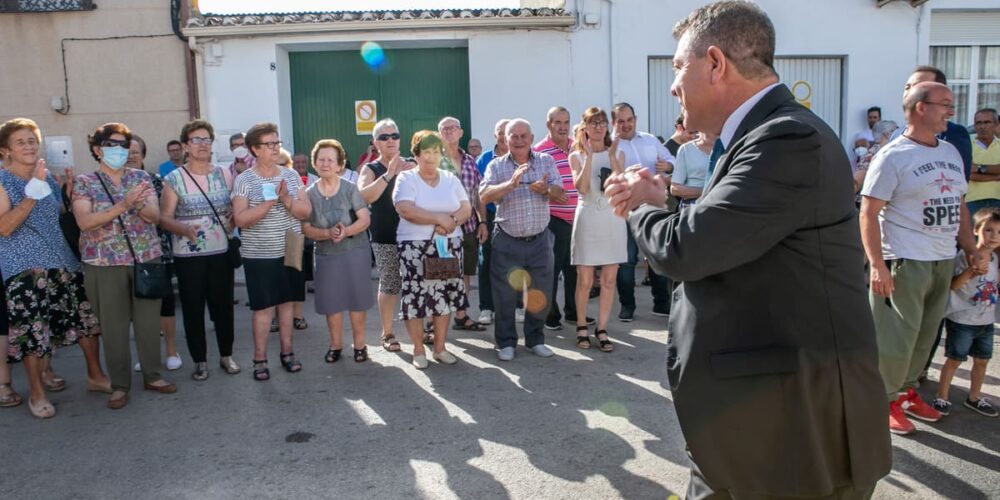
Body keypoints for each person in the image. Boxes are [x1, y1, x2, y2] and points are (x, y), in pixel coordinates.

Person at [605, 2, 891, 497]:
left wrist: (639, 204)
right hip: (755, 427)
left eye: (678, 68)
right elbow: (723, 239)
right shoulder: (760, 136)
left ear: (715, 64)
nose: (673, 86)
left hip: (793, 436)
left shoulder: (786, 138)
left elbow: (687, 248)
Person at [861, 81, 977, 435]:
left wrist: (970, 248)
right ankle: (882, 401)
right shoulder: (893, 156)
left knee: (924, 338)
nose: (951, 111)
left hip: (942, 258)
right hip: (905, 259)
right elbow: (867, 212)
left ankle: (907, 393)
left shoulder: (950, 152)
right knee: (895, 339)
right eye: (945, 104)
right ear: (920, 108)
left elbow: (958, 205)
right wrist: (878, 265)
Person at [0, 118, 109, 418]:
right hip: (23, 266)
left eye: (33, 140)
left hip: (61, 260)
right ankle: (37, 393)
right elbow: (4, 227)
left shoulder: (46, 179)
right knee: (34, 332)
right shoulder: (3, 180)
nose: (29, 146)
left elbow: (56, 217)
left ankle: (96, 376)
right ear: (5, 150)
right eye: (21, 142)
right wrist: (29, 197)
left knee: (86, 322)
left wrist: (68, 197)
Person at [73, 122, 176, 410]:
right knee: (114, 327)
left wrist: (139, 205)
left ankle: (152, 375)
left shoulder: (141, 177)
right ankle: (119, 385)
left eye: (123, 145)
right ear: (97, 149)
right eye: (111, 145)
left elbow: (154, 216)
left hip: (146, 259)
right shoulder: (85, 181)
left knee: (147, 323)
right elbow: (84, 221)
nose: (119, 151)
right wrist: (123, 204)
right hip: (103, 264)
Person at [160, 119, 240, 381]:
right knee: (193, 309)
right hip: (188, 256)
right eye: (196, 139)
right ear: (185, 145)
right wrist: (183, 229)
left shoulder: (224, 174)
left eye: (207, 139)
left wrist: (234, 218)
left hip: (220, 253)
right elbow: (164, 217)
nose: (203, 144)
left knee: (223, 307)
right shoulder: (174, 178)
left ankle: (226, 355)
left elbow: (234, 209)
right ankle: (200, 361)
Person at [232, 122, 311, 381]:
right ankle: (259, 359)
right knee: (264, 308)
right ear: (255, 149)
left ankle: (288, 353)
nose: (276, 148)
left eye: (277, 143)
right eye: (269, 144)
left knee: (287, 303)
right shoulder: (244, 180)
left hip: (290, 247)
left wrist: (288, 199)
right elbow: (241, 219)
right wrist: (268, 203)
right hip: (259, 254)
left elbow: (306, 212)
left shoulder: (289, 176)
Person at [481, 119, 565, 361]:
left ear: (531, 137)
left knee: (540, 292)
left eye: (523, 136)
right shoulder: (496, 166)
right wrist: (511, 184)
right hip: (507, 240)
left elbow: (562, 194)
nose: (518, 140)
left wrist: (546, 190)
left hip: (539, 240)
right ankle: (506, 342)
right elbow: (484, 195)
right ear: (505, 139)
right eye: (513, 136)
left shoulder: (546, 161)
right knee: (505, 295)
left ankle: (535, 339)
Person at [393, 131, 472, 369]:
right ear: (416, 154)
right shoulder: (407, 178)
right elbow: (405, 209)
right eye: (426, 152)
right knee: (416, 298)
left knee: (444, 297)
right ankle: (418, 350)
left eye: (435, 152)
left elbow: (466, 208)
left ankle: (440, 348)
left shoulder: (450, 178)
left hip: (448, 245)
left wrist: (453, 222)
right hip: (415, 247)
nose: (430, 157)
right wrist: (438, 218)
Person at [303, 140, 373, 364]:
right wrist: (326, 234)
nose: (325, 164)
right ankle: (335, 345)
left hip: (355, 250)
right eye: (321, 159)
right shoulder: (308, 194)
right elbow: (305, 228)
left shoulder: (350, 188)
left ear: (339, 164)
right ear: (315, 163)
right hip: (326, 254)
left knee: (356, 300)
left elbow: (365, 219)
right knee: (331, 303)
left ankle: (360, 345)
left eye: (330, 160)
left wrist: (346, 231)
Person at [568, 107, 626, 352]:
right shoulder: (576, 156)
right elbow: (581, 188)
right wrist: (589, 157)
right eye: (593, 123)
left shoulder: (619, 152)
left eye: (602, 122)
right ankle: (582, 326)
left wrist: (611, 157)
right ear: (584, 128)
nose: (599, 127)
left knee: (610, 280)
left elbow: (622, 185)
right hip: (589, 215)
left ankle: (602, 328)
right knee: (585, 279)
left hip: (612, 217)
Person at [934, 207, 1000, 418]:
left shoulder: (995, 260)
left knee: (982, 361)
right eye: (988, 230)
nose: (994, 237)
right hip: (962, 319)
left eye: (999, 233)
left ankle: (974, 397)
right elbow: (953, 286)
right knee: (955, 359)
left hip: (986, 321)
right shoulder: (964, 257)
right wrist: (971, 271)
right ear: (975, 230)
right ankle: (941, 397)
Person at [611, 102, 674, 321]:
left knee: (656, 254)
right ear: (614, 122)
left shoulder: (650, 140)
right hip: (626, 208)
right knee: (627, 260)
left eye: (629, 120)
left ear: (635, 119)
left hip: (654, 205)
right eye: (621, 121)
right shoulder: (611, 146)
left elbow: (671, 161)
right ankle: (627, 306)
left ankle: (661, 303)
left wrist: (668, 167)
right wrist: (625, 173)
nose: (626, 125)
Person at [126, 134, 182, 373]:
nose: (130, 156)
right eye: (125, 151)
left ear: (143, 155)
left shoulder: (156, 181)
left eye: (135, 152)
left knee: (164, 305)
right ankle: (146, 354)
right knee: (137, 309)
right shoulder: (111, 183)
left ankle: (171, 350)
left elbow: (166, 215)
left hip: (156, 252)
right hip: (125, 255)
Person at [358, 118, 414, 353]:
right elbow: (365, 196)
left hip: (414, 234)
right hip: (385, 235)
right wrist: (389, 174)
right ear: (375, 143)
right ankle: (387, 332)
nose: (390, 140)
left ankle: (420, 330)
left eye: (394, 135)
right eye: (384, 137)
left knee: (416, 284)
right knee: (390, 283)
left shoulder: (412, 163)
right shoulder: (370, 169)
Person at [534, 107, 587, 331]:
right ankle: (551, 316)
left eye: (566, 122)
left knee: (575, 268)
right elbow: (535, 186)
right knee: (552, 270)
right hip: (554, 218)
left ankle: (575, 313)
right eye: (557, 122)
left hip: (579, 217)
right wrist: (549, 192)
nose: (563, 127)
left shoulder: (577, 145)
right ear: (549, 125)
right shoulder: (539, 151)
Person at [438, 116, 488, 332]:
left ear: (460, 132)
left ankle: (461, 315)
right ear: (439, 134)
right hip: (441, 229)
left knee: (465, 274)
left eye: (453, 128)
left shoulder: (469, 161)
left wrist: (483, 221)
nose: (449, 131)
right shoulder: (433, 160)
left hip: (467, 228)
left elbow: (478, 195)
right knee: (439, 275)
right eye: (444, 129)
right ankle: (434, 322)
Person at [891, 66, 973, 179]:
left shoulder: (953, 134)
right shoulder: (896, 135)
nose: (911, 91)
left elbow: (958, 185)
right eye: (907, 87)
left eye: (919, 85)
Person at [475, 119, 509, 325]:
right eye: (500, 132)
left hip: (513, 218)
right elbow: (479, 194)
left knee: (513, 265)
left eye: (508, 132)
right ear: (495, 135)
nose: (505, 136)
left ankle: (516, 306)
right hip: (489, 218)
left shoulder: (522, 156)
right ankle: (486, 308)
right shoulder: (484, 159)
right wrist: (483, 222)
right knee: (485, 262)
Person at [966, 108, 1000, 216]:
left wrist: (979, 168)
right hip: (972, 200)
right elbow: (968, 174)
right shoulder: (967, 145)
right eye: (978, 123)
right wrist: (995, 176)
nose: (982, 126)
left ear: (996, 124)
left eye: (987, 122)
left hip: (997, 198)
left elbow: (973, 171)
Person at [670, 129, 718, 206]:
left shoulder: (729, 146)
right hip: (693, 207)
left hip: (722, 205)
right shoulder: (686, 149)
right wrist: (707, 191)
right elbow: (675, 189)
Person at [853, 120, 898, 195]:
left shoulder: (889, 152)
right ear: (887, 134)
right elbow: (857, 182)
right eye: (896, 131)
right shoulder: (873, 154)